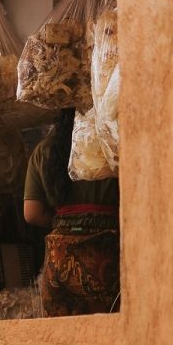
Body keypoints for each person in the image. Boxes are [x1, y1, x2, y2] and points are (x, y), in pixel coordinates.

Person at [23, 109, 120, 316]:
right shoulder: (109, 143)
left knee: (64, 337)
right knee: (108, 331)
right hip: (105, 251)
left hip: (59, 259)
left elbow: (31, 213)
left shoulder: (44, 150)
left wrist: (66, 222)